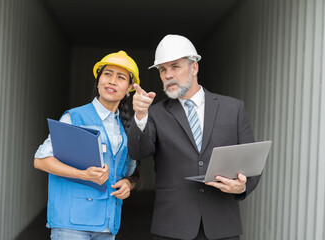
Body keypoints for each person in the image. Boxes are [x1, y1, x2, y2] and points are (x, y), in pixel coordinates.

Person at [127, 34, 260, 240]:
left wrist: (242, 186)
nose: (168, 75)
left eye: (175, 67)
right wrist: (140, 116)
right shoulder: (154, 114)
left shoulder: (232, 108)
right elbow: (137, 152)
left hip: (222, 225)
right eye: (163, 69)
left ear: (194, 67)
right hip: (172, 227)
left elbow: (252, 161)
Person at [34, 50, 140, 240]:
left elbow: (129, 173)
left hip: (108, 225)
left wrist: (128, 185)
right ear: (98, 81)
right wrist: (84, 175)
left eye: (121, 77)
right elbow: (41, 161)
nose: (112, 81)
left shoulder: (126, 129)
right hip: (71, 225)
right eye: (107, 74)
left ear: (130, 88)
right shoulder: (74, 117)